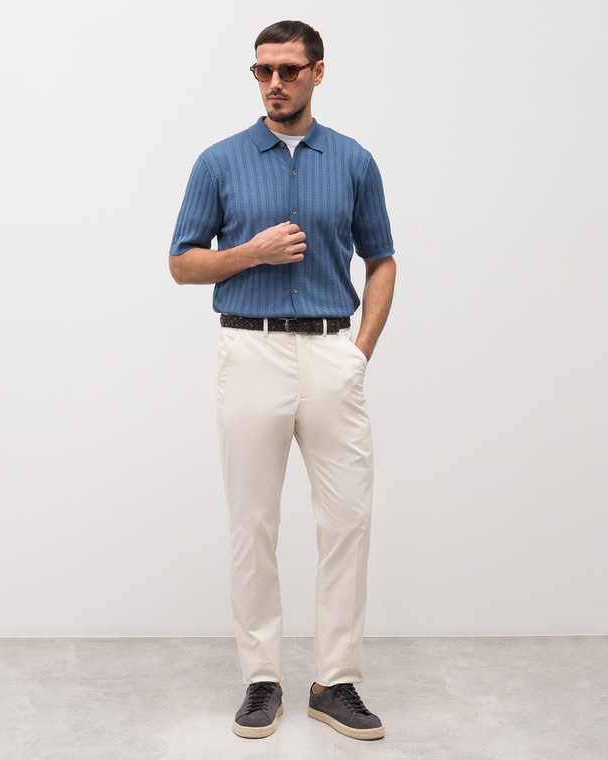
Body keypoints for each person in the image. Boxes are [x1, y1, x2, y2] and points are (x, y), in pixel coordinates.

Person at [169, 20, 395, 741]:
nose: (274, 82)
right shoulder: (219, 162)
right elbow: (181, 262)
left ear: (317, 73)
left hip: (331, 351)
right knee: (253, 522)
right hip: (251, 350)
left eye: (289, 70)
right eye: (263, 70)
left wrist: (358, 353)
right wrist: (251, 252)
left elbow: (382, 260)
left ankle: (337, 681)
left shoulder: (354, 161)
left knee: (347, 520)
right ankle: (261, 678)